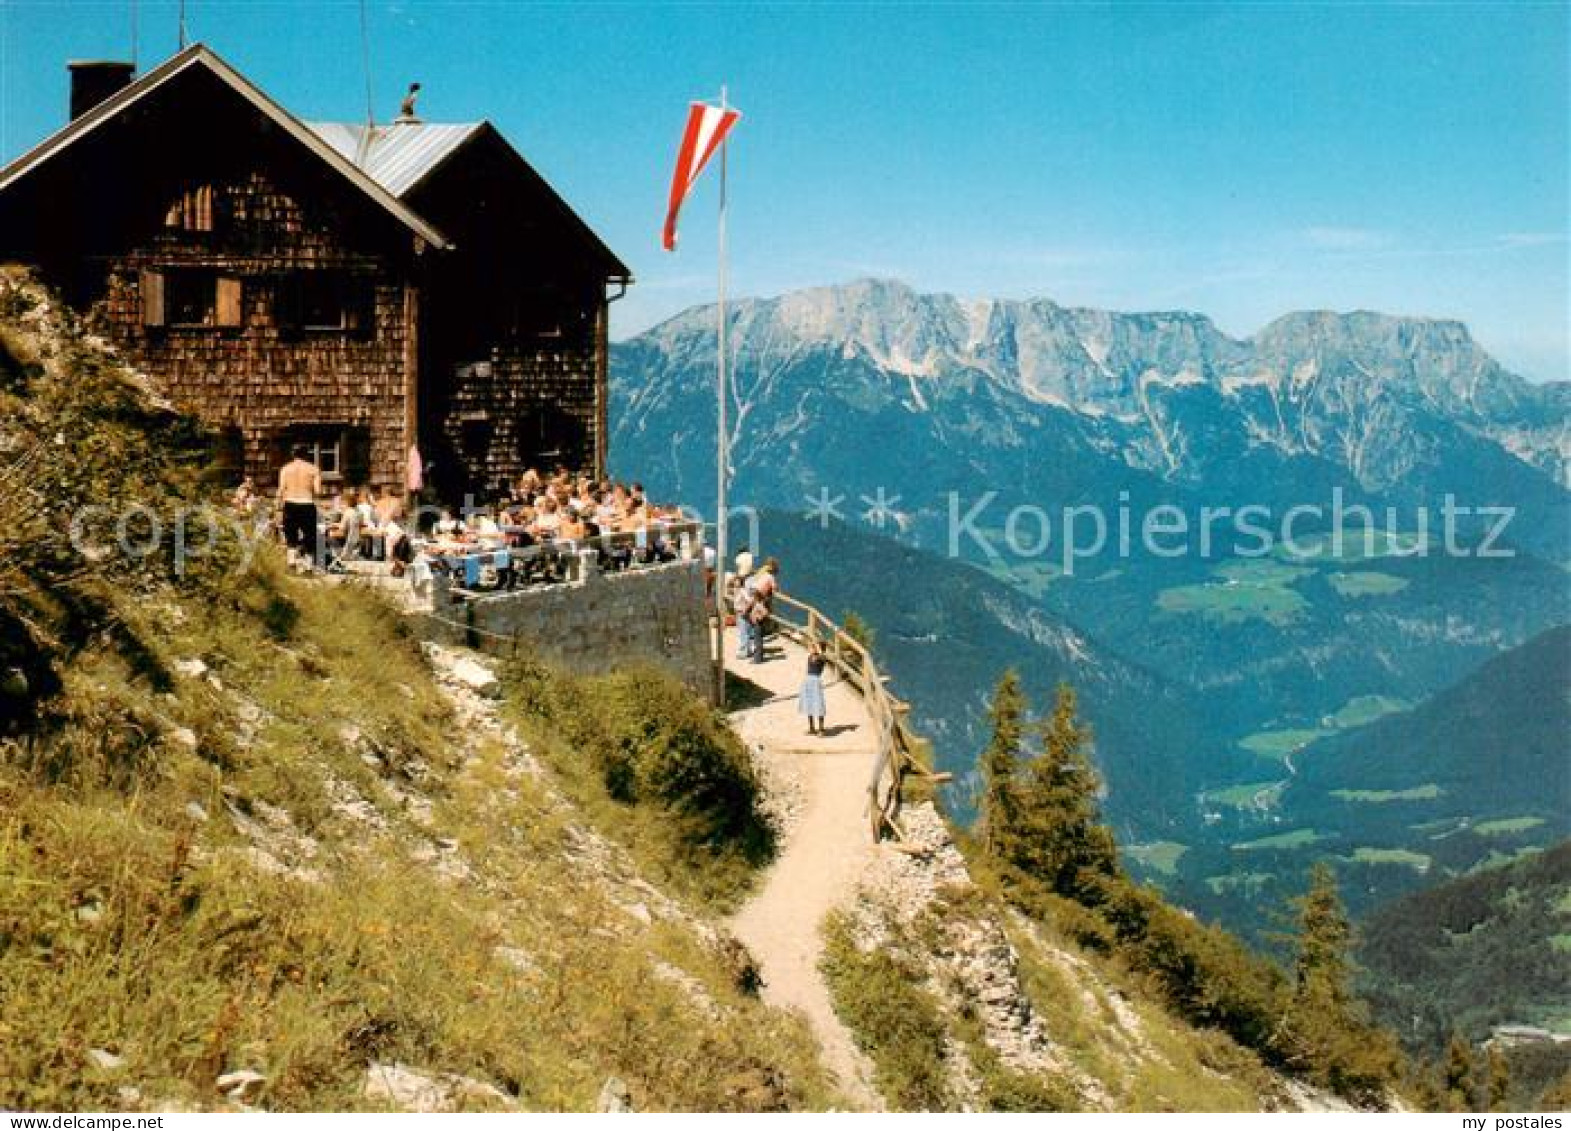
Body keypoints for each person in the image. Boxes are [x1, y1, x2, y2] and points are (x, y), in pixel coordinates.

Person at [277, 445, 322, 571]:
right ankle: (308, 566)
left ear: (293, 454)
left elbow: (281, 490)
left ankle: (291, 563)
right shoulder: (313, 469)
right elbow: (318, 491)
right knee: (309, 535)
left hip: (290, 502)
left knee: (291, 535)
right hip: (306, 502)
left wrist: (278, 508)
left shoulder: (285, 469)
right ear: (307, 454)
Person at [799, 641, 828, 735]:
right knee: (809, 704)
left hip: (816, 681)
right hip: (808, 681)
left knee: (819, 705)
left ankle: (821, 729)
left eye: (817, 647)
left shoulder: (822, 658)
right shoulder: (810, 657)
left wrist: (820, 650)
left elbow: (821, 657)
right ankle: (811, 728)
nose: (814, 648)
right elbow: (811, 648)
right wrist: (813, 647)